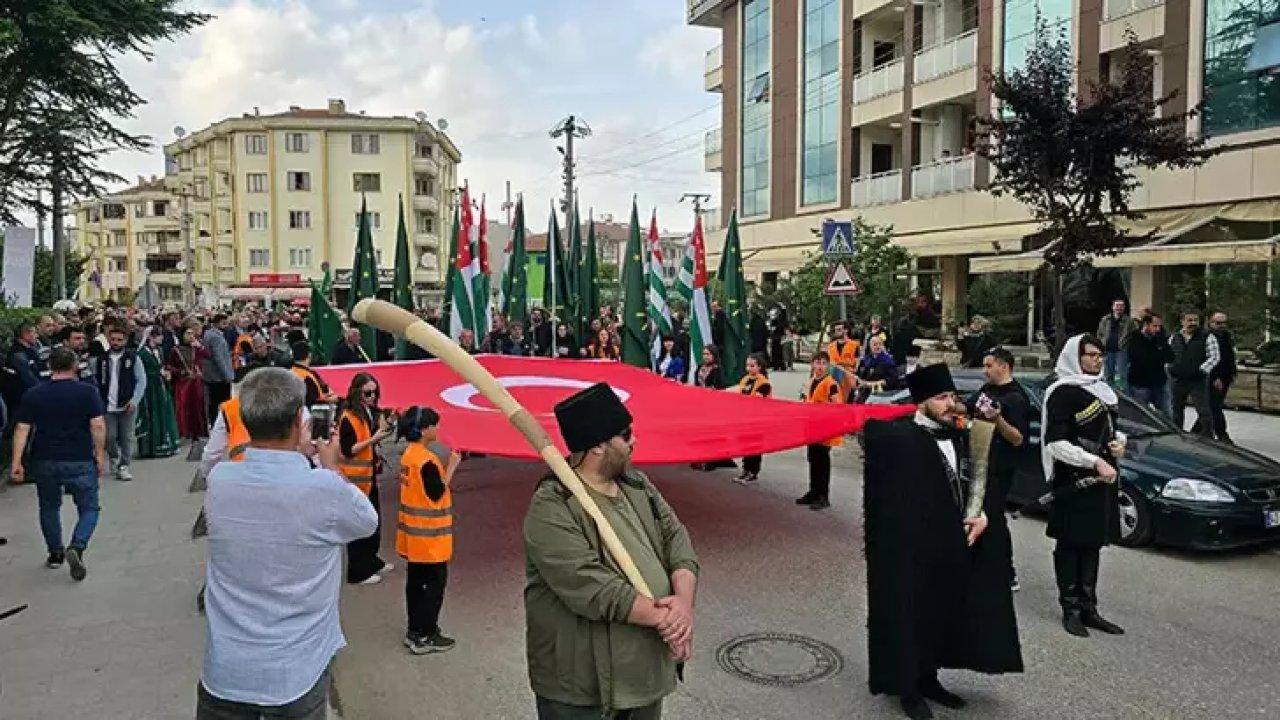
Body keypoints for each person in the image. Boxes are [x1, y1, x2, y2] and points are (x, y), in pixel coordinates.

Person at [198, 368, 377, 720]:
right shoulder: (322, 487)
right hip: (294, 671)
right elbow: (366, 522)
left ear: (246, 422)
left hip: (226, 669)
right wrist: (328, 468)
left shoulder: (220, 481)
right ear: (300, 420)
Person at [524, 382, 699, 719]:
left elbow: (678, 541)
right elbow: (589, 585)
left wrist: (684, 605)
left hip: (643, 676)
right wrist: (670, 620)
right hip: (581, 689)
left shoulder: (637, 485)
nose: (634, 440)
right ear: (599, 447)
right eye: (626, 434)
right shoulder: (552, 505)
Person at [863, 363, 1022, 720]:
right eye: (940, 398)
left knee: (943, 615)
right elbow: (887, 498)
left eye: (951, 396)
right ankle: (909, 688)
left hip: (954, 547)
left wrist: (983, 516)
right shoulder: (901, 440)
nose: (950, 404)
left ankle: (931, 678)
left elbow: (981, 483)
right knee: (912, 616)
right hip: (913, 551)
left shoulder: (961, 437)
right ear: (921, 403)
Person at [1041, 334, 1127, 638]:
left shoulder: (1104, 391)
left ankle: (1090, 608)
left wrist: (1118, 445)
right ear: (1075, 357)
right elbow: (1056, 442)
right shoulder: (1063, 393)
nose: (1097, 360)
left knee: (1093, 543)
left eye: (1100, 355)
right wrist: (1093, 461)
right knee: (1070, 543)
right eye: (1090, 355)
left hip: (1103, 478)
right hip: (1074, 479)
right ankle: (1071, 609)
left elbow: (1114, 430)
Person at [11, 348, 107, 580]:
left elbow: (22, 428)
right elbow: (97, 425)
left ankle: (55, 553)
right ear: (74, 365)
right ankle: (78, 545)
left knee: (49, 506)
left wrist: (16, 461)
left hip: (44, 458)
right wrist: (100, 454)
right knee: (89, 507)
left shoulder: (34, 394)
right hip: (79, 457)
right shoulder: (87, 392)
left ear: (50, 366)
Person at [395, 406, 464, 655]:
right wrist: (453, 466)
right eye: (435, 425)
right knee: (433, 587)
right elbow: (436, 493)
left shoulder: (409, 456)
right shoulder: (425, 461)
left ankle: (414, 630)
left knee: (415, 585)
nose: (437, 429)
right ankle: (426, 634)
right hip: (430, 539)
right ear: (425, 430)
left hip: (414, 538)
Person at [966, 347, 1030, 591]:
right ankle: (980, 564)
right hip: (979, 461)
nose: (985, 370)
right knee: (976, 513)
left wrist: (998, 420)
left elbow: (1017, 438)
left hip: (1000, 468)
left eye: (989, 365)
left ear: (1004, 366)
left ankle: (1007, 572)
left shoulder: (1016, 398)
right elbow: (970, 407)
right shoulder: (987, 390)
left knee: (993, 518)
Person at [339, 372, 396, 585]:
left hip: (367, 477)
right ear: (357, 392)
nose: (372, 397)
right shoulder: (348, 417)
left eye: (375, 392)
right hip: (356, 479)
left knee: (373, 522)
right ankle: (358, 571)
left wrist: (386, 426)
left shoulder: (365, 412)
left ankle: (371, 561)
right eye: (368, 393)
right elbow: (349, 449)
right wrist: (373, 439)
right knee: (359, 525)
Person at [87, 326, 146, 482]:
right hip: (107, 404)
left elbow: (141, 380)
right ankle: (114, 457)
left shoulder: (132, 358)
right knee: (110, 436)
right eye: (113, 339)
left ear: (125, 341)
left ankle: (124, 465)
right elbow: (94, 380)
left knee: (127, 436)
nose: (116, 342)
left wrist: (135, 400)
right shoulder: (101, 359)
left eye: (119, 340)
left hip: (127, 404)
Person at [797, 354, 843, 510]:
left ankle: (823, 496)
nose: (820, 366)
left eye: (824, 363)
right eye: (818, 363)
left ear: (828, 366)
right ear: (812, 365)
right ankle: (813, 491)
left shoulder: (831, 384)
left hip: (824, 429)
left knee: (822, 462)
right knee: (813, 459)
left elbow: (837, 406)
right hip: (812, 428)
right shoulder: (810, 382)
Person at [1167, 311, 1218, 436]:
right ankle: (1177, 435)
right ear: (1182, 321)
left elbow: (1214, 357)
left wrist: (1201, 370)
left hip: (1197, 380)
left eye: (1195, 320)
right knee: (1176, 410)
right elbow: (1167, 355)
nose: (1193, 323)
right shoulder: (1174, 337)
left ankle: (1208, 436)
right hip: (1178, 379)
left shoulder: (1207, 336)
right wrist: (1170, 369)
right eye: (1189, 320)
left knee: (1204, 411)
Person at [136, 326, 180, 459]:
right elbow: (142, 372)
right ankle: (150, 447)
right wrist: (158, 373)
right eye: (159, 335)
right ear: (151, 337)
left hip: (160, 386)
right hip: (150, 388)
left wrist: (165, 373)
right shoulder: (142, 353)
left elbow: (161, 365)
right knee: (151, 415)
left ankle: (165, 443)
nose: (161, 338)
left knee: (163, 413)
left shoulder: (159, 350)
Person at [733, 353, 771, 485]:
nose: (749, 368)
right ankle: (745, 469)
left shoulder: (764, 383)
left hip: (757, 420)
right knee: (745, 445)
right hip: (745, 419)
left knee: (754, 446)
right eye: (747, 365)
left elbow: (757, 400)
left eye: (752, 365)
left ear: (759, 367)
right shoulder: (745, 380)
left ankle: (753, 472)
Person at [1126, 312, 1172, 418]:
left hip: (1159, 382)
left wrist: (1161, 344)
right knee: (1140, 416)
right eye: (1154, 326)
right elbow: (1140, 359)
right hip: (1140, 384)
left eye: (1159, 326)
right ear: (1146, 325)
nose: (1157, 329)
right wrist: (1159, 354)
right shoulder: (1135, 337)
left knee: (1167, 415)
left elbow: (1170, 357)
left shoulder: (1160, 338)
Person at [168, 325, 210, 441]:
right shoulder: (175, 350)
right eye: (188, 333)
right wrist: (181, 372)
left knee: (198, 407)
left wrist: (200, 346)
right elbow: (170, 366)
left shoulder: (195, 347)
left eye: (192, 333)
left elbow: (207, 355)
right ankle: (185, 432)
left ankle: (198, 431)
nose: (191, 336)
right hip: (183, 384)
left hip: (196, 382)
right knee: (184, 407)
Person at [1204, 312, 1236, 443]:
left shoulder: (1226, 337)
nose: (1221, 326)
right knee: (1215, 406)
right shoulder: (1209, 337)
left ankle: (1198, 431)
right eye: (1218, 323)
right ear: (1211, 323)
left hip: (1226, 376)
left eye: (1224, 323)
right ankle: (1222, 434)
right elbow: (1209, 359)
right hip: (1214, 377)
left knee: (1212, 406)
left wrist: (1232, 374)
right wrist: (1215, 377)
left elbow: (1229, 357)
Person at [202, 315, 235, 423]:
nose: (226, 326)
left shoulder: (207, 334)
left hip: (210, 374)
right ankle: (224, 423)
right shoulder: (216, 337)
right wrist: (227, 375)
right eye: (223, 323)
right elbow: (219, 357)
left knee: (213, 402)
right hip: (219, 376)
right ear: (216, 323)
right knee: (223, 402)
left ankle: (214, 422)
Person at [290, 342, 336, 407]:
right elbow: (312, 401)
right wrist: (330, 399)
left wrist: (326, 396)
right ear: (309, 355)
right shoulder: (306, 377)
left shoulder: (292, 371)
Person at [853, 336, 898, 402]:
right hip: (864, 393)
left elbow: (892, 380)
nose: (878, 346)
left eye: (880, 344)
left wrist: (869, 384)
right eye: (875, 344)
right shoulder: (866, 360)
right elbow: (859, 376)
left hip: (881, 395)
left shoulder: (888, 361)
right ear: (870, 346)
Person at [826, 321, 860, 400]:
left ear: (846, 330)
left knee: (847, 403)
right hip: (833, 377)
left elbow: (857, 363)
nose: (837, 332)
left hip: (848, 377)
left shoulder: (854, 344)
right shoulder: (831, 346)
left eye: (839, 330)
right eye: (836, 330)